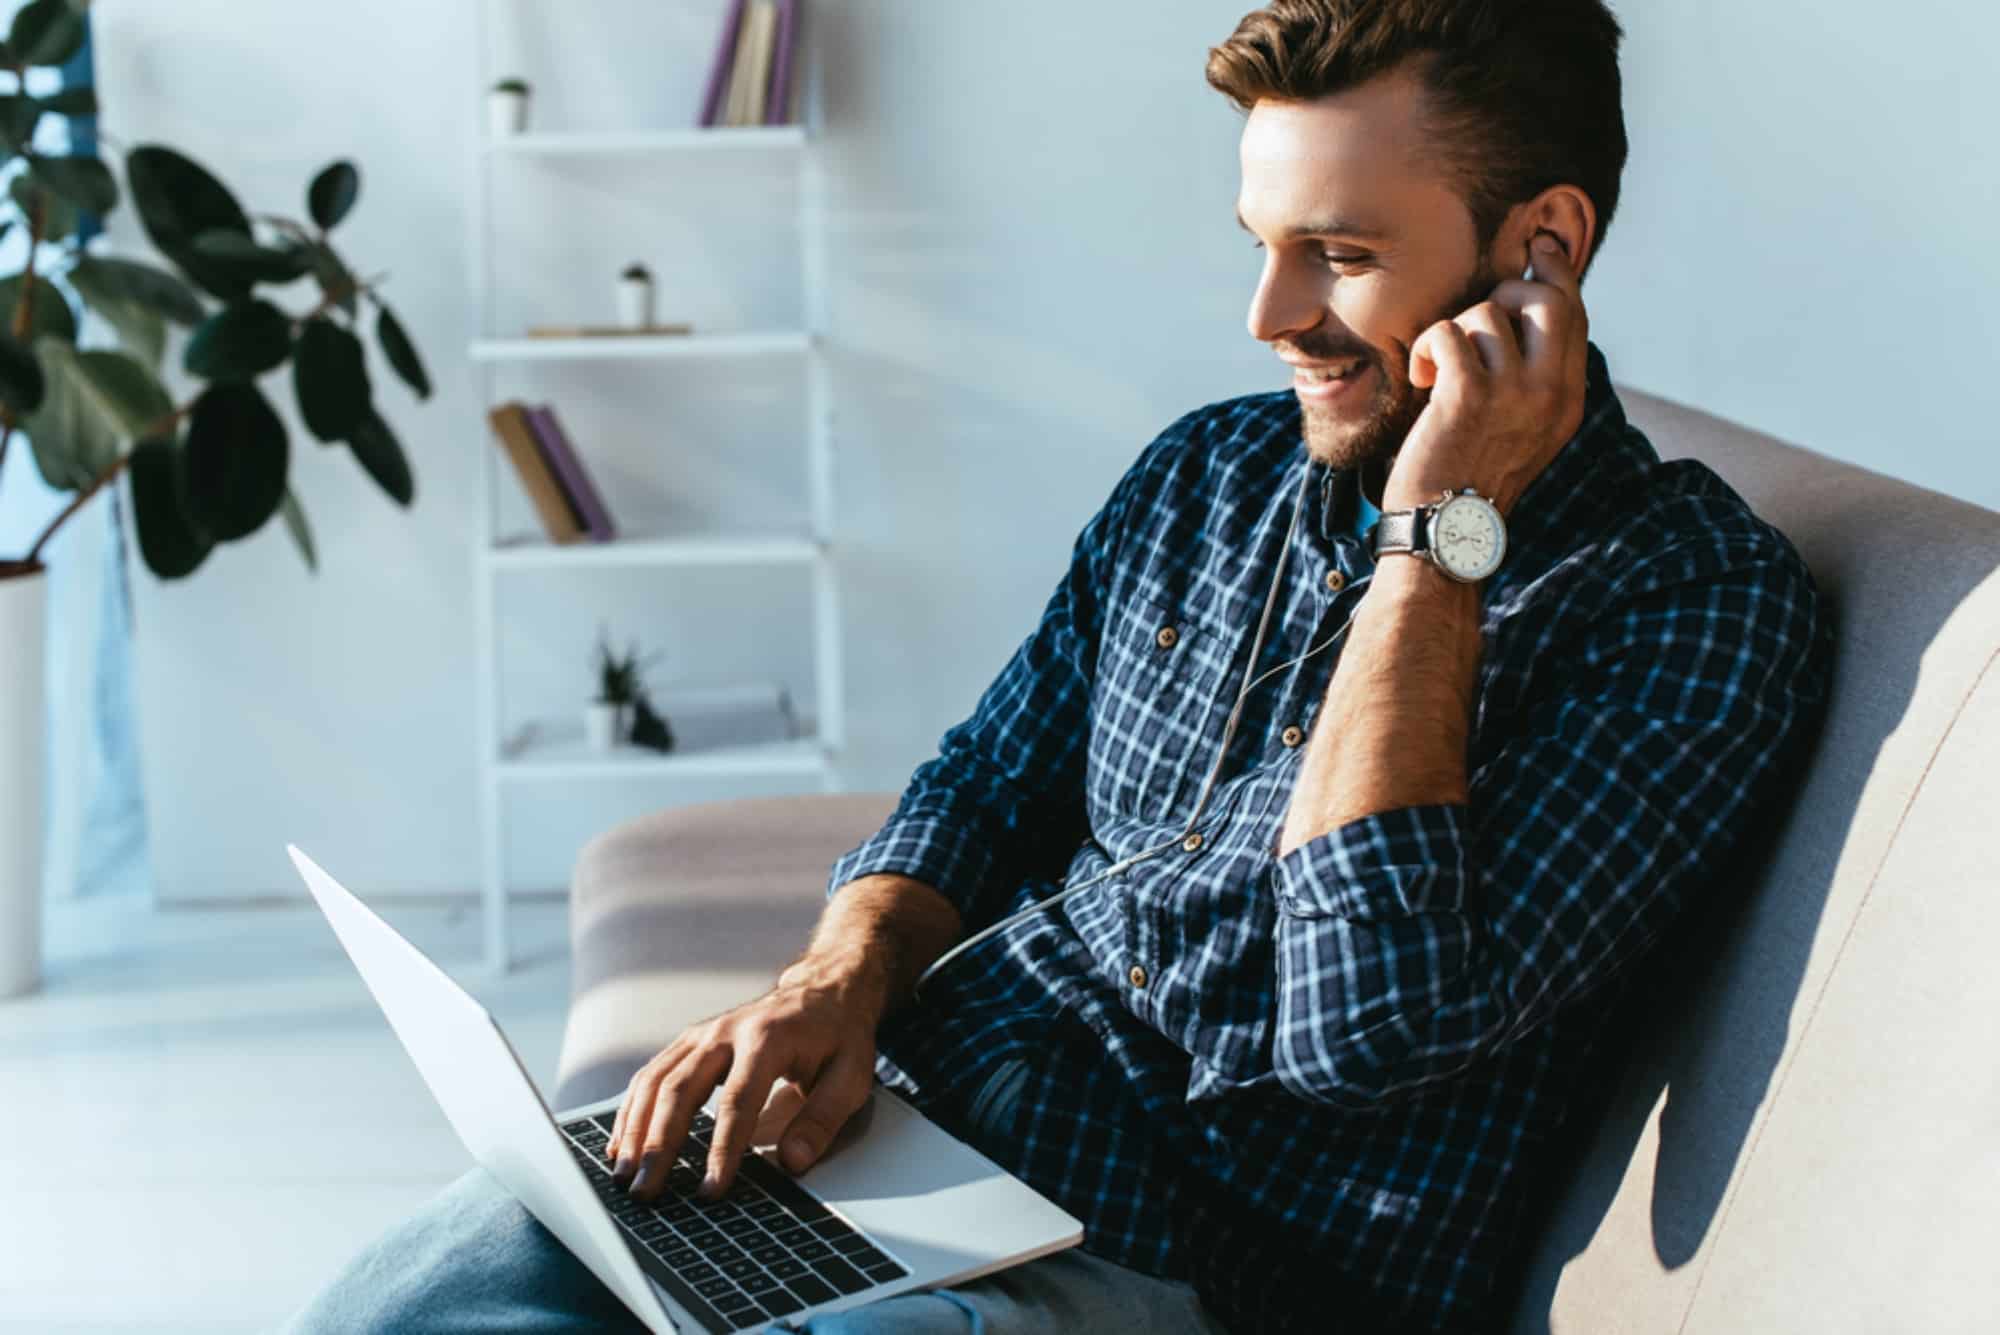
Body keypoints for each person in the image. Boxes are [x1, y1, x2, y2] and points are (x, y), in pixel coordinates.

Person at [284, 2, 1833, 1331]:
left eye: (1340, 256)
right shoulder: (1209, 478)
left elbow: (1367, 1025)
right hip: (933, 1138)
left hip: (1186, 1275)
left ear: (1539, 252)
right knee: (406, 1304)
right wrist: (837, 982)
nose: (1272, 316)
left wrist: (1434, 541)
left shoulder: (1694, 612)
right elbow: (989, 776)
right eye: (1263, 247)